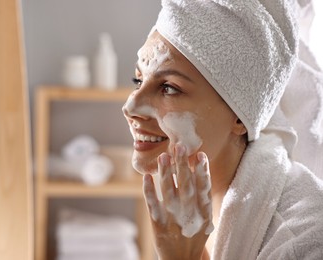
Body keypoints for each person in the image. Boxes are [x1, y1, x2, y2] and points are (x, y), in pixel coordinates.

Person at [122, 0, 323, 259]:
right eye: (138, 80)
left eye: (169, 88)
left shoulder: (303, 241)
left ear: (240, 117)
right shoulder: (185, 212)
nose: (130, 106)